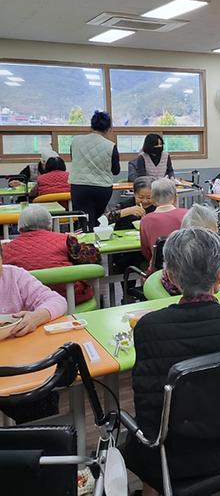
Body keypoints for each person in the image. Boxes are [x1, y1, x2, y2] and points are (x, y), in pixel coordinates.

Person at [124, 228, 220, 496]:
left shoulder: (148, 327)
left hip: (171, 455)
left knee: (141, 436)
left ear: (172, 278)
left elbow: (146, 398)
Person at [0, 244, 68, 423]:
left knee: (38, 400)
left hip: (17, 363)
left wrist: (36, 317)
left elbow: (56, 300)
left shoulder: (13, 276)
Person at [3, 205, 101, 307]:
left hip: (29, 305)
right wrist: (75, 240)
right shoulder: (66, 240)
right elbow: (93, 257)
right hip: (71, 297)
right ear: (50, 225)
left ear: (19, 227)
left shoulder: (6, 249)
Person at [69, 111, 120, 228]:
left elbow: (74, 159)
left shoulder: (76, 141)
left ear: (91, 126)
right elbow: (116, 170)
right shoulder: (110, 145)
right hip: (102, 188)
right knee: (97, 220)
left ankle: (84, 242)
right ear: (108, 129)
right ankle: (98, 242)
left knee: (84, 220)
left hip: (79, 186)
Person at [139, 178, 188, 271]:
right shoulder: (188, 214)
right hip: (186, 269)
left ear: (152, 199)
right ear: (175, 198)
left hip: (159, 271)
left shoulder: (146, 220)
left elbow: (146, 252)